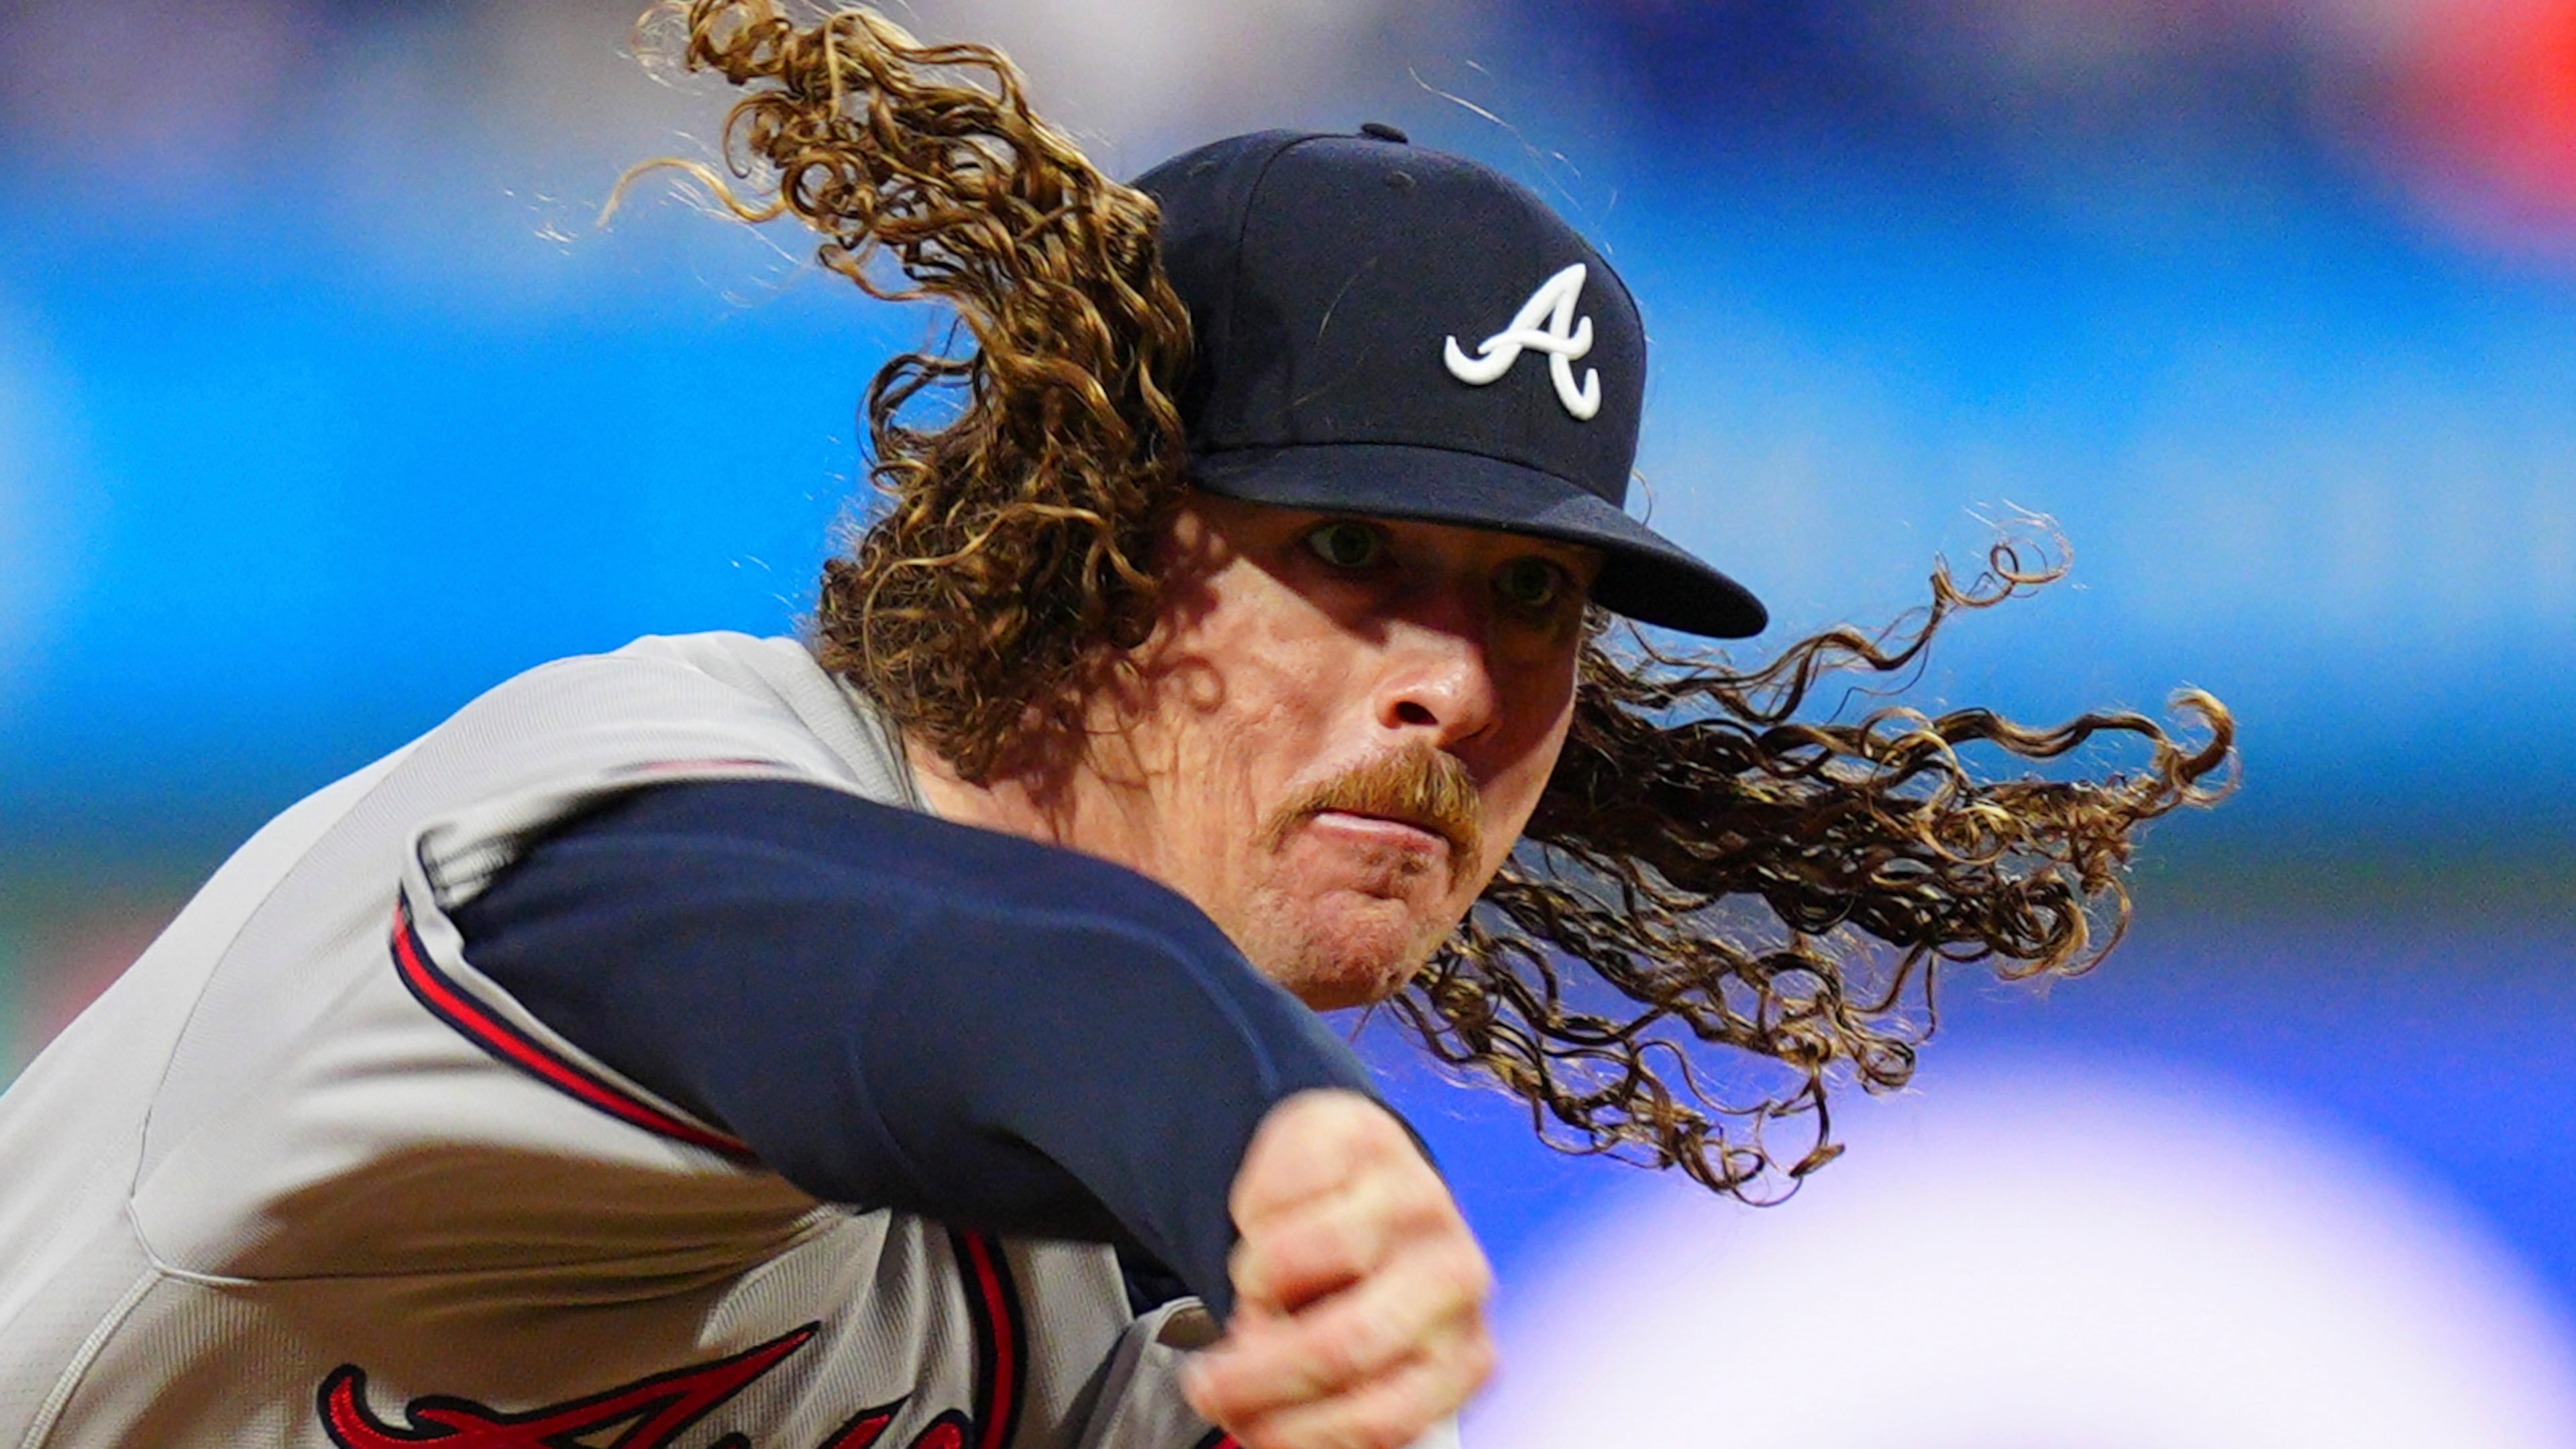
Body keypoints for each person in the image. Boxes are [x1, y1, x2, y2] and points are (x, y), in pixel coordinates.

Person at [0, 4, 2233, 1448]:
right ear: (1079, 530)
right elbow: (879, 964)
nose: (1458, 679)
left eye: (1535, 595)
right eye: (1353, 548)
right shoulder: (630, 800)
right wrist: (1265, 1133)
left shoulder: (1129, 1319)